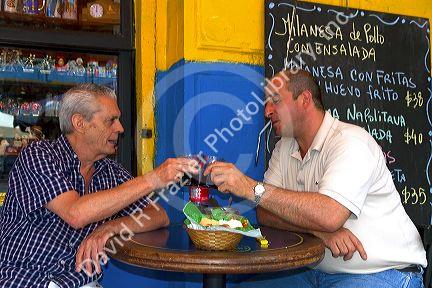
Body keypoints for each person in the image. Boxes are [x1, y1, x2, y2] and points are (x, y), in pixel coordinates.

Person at [205, 69, 426, 287]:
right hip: (314, 272)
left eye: (275, 100)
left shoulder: (350, 141)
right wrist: (318, 232)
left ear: (305, 99)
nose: (267, 111)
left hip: (383, 272)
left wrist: (250, 188)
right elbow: (264, 213)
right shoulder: (284, 148)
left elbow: (329, 215)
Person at [0, 84, 197, 288]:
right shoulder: (38, 155)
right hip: (22, 280)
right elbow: (75, 214)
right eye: (111, 120)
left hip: (77, 283)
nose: (120, 128)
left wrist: (110, 227)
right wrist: (154, 179)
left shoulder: (111, 171)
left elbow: (159, 216)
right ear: (79, 123)